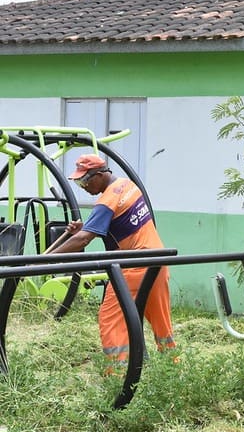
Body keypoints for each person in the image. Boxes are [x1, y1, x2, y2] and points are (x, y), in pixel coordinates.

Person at [51, 154, 176, 369]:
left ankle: (118, 377)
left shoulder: (106, 202)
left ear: (99, 175)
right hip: (158, 261)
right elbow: (120, 225)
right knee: (162, 325)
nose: (82, 187)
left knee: (111, 319)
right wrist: (86, 228)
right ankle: (172, 370)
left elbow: (83, 240)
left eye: (84, 181)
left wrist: (50, 259)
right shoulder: (128, 186)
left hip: (133, 267)